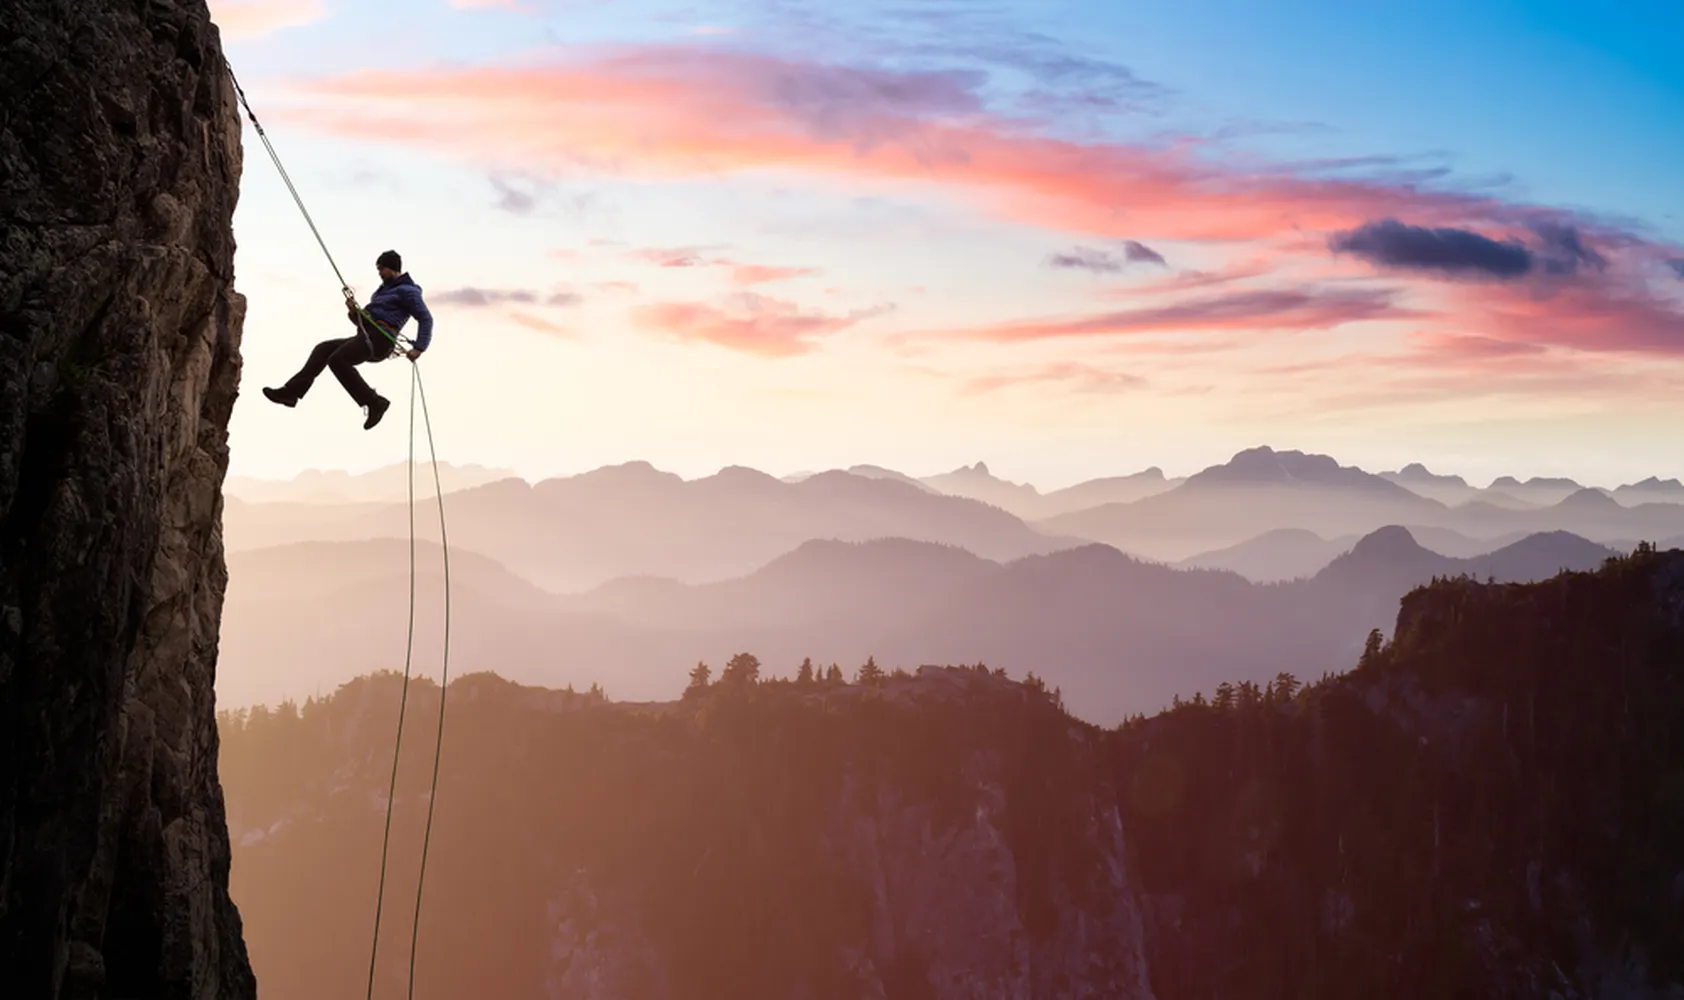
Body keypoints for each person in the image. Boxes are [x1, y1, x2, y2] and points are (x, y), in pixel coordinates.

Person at [261, 250, 434, 429]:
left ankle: (374, 402)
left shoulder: (408, 291)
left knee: (338, 360)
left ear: (392, 268)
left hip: (381, 340)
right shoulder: (381, 292)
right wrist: (354, 311)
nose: (379, 273)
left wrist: (419, 348)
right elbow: (362, 323)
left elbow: (426, 318)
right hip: (368, 336)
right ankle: (291, 393)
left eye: (381, 269)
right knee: (323, 349)